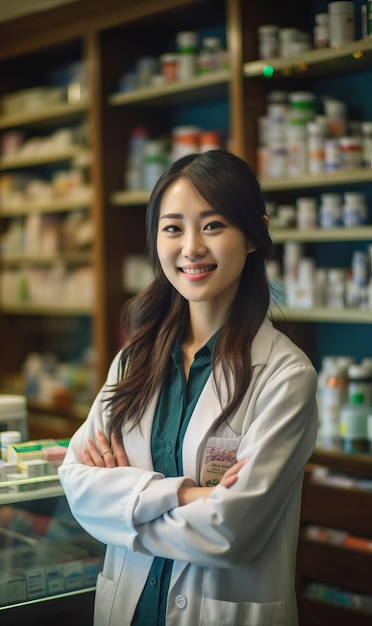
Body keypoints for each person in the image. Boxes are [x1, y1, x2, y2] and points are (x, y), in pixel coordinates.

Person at [58, 149, 318, 626]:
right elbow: (78, 485)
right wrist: (186, 495)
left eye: (213, 225)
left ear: (254, 234)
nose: (191, 248)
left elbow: (230, 532)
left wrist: (123, 512)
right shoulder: (135, 359)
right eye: (173, 228)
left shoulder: (285, 374)